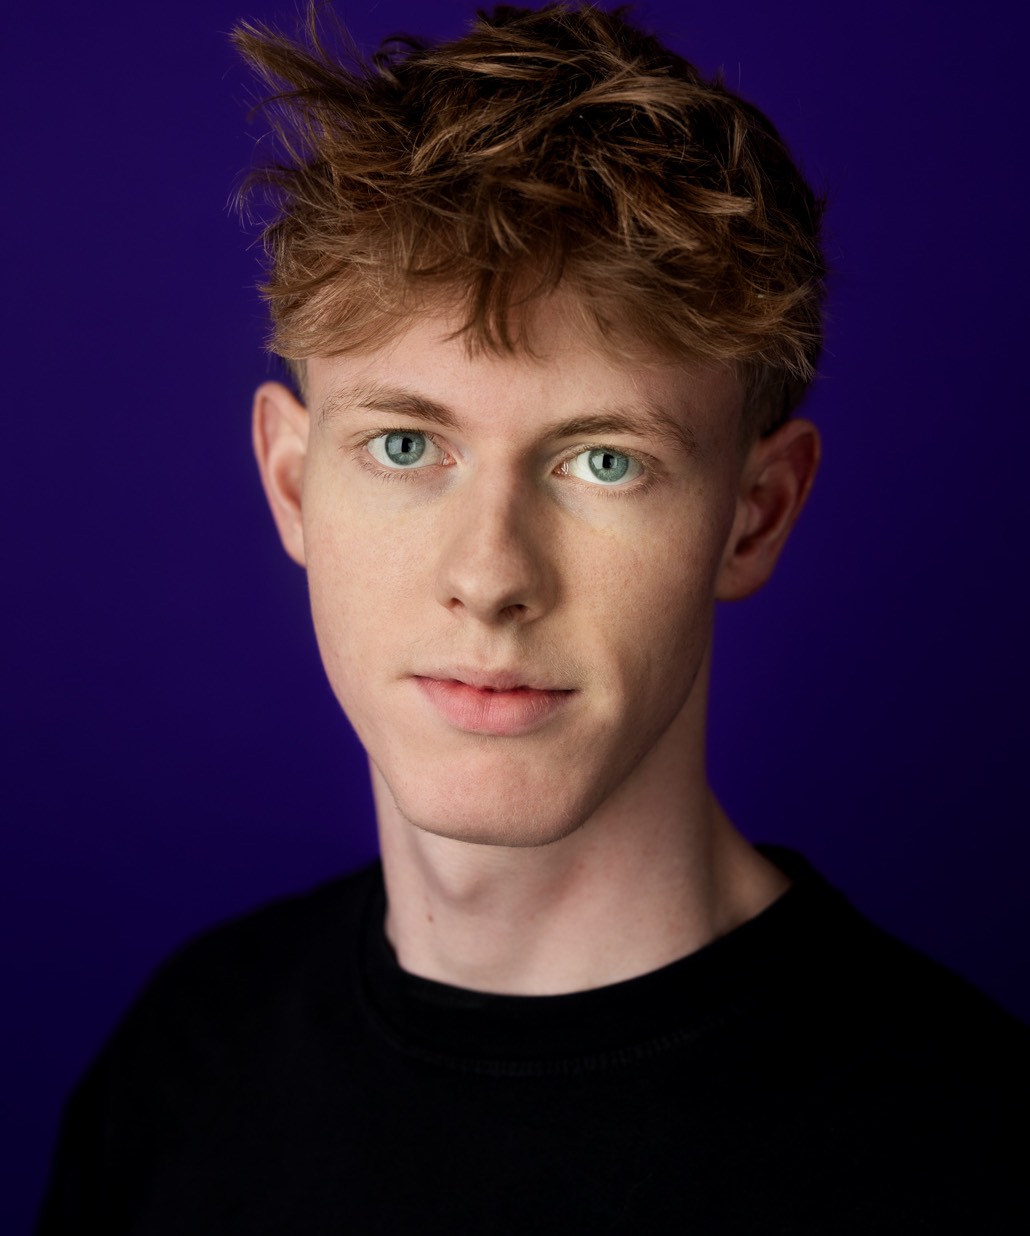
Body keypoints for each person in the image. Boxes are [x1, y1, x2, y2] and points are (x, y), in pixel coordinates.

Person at [36, 3, 1027, 1232]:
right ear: (292, 485)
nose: (491, 575)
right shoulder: (181, 1069)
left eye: (604, 462)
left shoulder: (974, 1155)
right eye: (406, 445)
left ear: (754, 516)